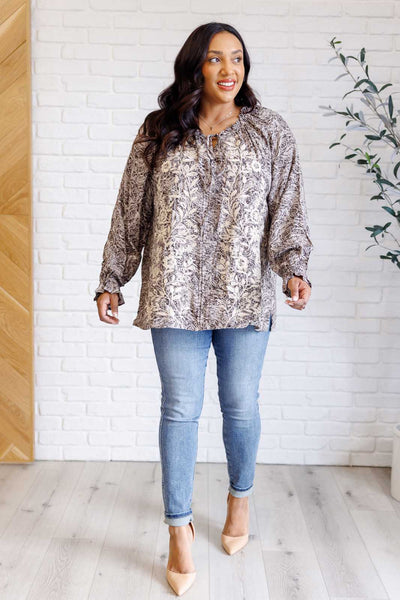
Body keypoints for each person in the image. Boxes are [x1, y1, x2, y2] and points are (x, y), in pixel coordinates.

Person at [94, 22, 313, 597]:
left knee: (240, 405)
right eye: (215, 58)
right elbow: (131, 210)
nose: (228, 69)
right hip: (173, 294)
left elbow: (287, 207)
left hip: (245, 295)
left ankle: (240, 499)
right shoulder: (159, 130)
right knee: (179, 410)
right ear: (195, 65)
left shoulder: (269, 131)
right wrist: (113, 278)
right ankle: (179, 529)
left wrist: (293, 268)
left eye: (236, 58)